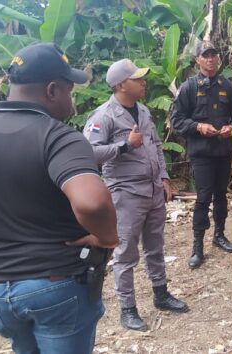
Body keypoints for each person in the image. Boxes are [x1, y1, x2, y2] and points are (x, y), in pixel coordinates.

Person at [0, 43, 119, 353]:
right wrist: (106, 238)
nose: (71, 99)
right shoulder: (59, 137)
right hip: (56, 287)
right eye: (69, 90)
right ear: (52, 90)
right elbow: (93, 203)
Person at [84, 59, 189, 331]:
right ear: (121, 85)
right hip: (125, 193)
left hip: (153, 190)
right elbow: (89, 152)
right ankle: (128, 308)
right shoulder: (103, 116)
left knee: (156, 247)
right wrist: (124, 146)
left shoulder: (142, 111)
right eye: (137, 79)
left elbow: (154, 144)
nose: (143, 82)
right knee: (125, 253)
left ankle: (161, 294)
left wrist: (164, 177)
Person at [171, 41, 232, 269]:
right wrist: (198, 127)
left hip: (223, 151)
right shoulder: (189, 87)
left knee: (221, 195)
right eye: (206, 55)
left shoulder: (228, 87)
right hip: (202, 153)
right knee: (203, 197)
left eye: (213, 54)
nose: (211, 58)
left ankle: (219, 235)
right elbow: (177, 121)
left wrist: (231, 128)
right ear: (198, 60)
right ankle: (198, 246)